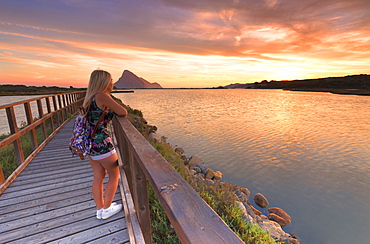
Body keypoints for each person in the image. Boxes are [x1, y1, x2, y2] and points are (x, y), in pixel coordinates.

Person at [82, 69, 128, 219]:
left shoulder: (89, 98)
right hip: (102, 144)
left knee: (98, 176)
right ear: (104, 82)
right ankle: (107, 208)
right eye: (111, 80)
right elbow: (123, 112)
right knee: (115, 175)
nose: (112, 83)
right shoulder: (102, 96)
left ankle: (100, 209)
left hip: (90, 145)